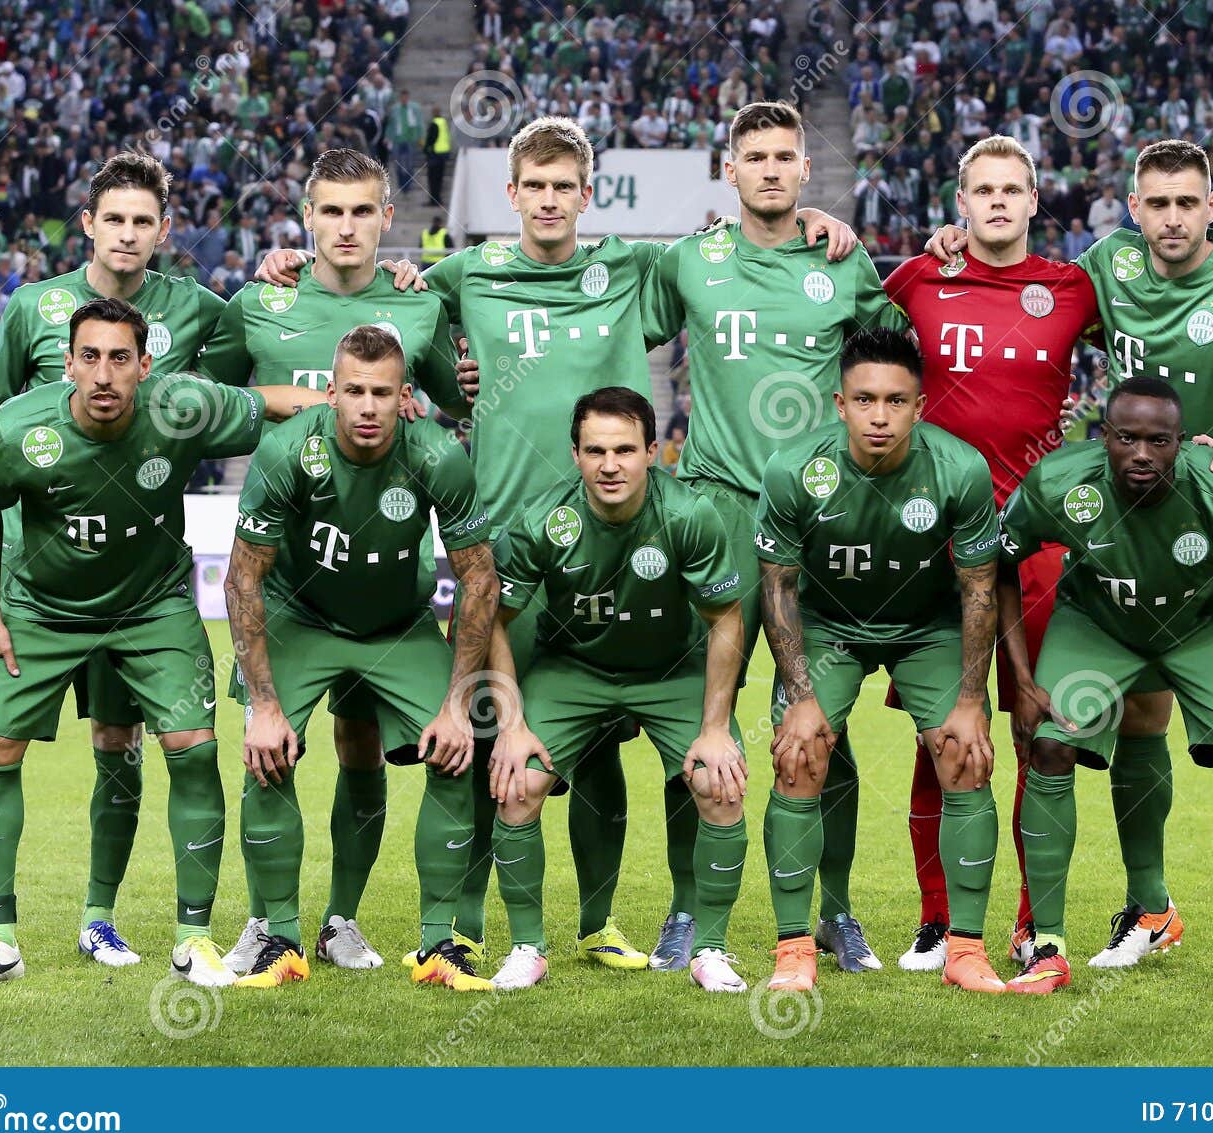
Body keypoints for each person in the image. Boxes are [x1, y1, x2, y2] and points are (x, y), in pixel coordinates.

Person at [255, 116, 853, 974]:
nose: (546, 200)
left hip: (617, 540)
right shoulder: (469, 273)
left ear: (587, 192)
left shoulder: (634, 269)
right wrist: (298, 261)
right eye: (531, 187)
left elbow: (745, 253)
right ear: (511, 196)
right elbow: (392, 296)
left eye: (561, 186)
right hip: (505, 550)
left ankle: (602, 921)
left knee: (606, 740)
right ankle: (458, 925)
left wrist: (819, 225)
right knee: (488, 742)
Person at [0, 154, 229, 971]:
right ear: (88, 224)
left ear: (164, 231)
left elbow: (254, 384)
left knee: (117, 741)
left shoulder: (200, 311)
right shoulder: (34, 307)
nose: (128, 235)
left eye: (144, 221)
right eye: (114, 219)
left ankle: (101, 915)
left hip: (139, 571)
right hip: (37, 568)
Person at [0, 298, 298, 987]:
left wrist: (349, 401)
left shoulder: (182, 405)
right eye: (89, 357)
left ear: (146, 364)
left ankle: (193, 941)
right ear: (68, 363)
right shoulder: (20, 428)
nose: (104, 374)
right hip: (43, 606)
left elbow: (271, 401)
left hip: (151, 604)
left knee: (192, 749)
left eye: (119, 358)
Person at [641, 100, 902, 974]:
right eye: (754, 156)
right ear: (730, 169)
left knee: (822, 722)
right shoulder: (689, 260)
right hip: (715, 512)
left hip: (818, 520)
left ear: (804, 171)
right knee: (696, 720)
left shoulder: (843, 260)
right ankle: (688, 908)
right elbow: (600, 323)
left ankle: (835, 911)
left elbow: (904, 357)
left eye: (786, 156)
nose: (771, 170)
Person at [198, 148, 471, 975]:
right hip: (291, 592)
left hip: (390, 600)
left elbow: (456, 404)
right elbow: (201, 407)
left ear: (388, 220)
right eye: (330, 211)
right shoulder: (260, 299)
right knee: (270, 746)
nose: (346, 227)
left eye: (362, 212)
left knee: (363, 750)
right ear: (306, 217)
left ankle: (344, 920)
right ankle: (270, 924)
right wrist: (284, 404)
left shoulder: (414, 306)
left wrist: (447, 382)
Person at [996, 378, 1213, 999]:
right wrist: (1020, 675)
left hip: (1199, 626)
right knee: (1048, 747)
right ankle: (1046, 947)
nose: (1141, 453)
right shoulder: (1059, 482)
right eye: (1126, 438)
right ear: (1105, 438)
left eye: (1158, 441)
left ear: (1183, 443)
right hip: (1097, 626)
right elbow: (998, 556)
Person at [223, 325, 499, 991]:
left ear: (406, 395)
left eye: (382, 392)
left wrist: (459, 703)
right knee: (268, 754)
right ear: (330, 393)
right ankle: (279, 937)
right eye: (354, 391)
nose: (368, 406)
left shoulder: (437, 455)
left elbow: (481, 579)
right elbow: (242, 579)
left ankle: (437, 943)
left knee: (456, 751)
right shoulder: (287, 451)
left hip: (397, 624)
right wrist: (262, 706)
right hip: (301, 615)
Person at [881, 135, 1099, 971]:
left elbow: (1159, 325)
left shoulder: (1073, 287)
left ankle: (1031, 918)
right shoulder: (916, 279)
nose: (999, 201)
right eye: (984, 189)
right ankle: (938, 918)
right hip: (939, 545)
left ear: (1035, 201)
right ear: (960, 202)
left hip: (1041, 543)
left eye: (1013, 189)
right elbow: (842, 328)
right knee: (942, 736)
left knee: (1040, 729)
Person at [756, 329, 1003, 992]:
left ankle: (967, 950)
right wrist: (801, 695)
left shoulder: (960, 469)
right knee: (801, 753)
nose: (879, 414)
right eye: (864, 398)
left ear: (920, 406)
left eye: (896, 400)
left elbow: (980, 589)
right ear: (839, 403)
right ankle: (794, 948)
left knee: (964, 752)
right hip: (829, 626)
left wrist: (973, 702)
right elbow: (777, 585)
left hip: (927, 628)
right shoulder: (792, 469)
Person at [486, 388, 752, 994]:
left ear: (654, 452)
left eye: (626, 450)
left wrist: (715, 728)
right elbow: (494, 621)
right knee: (517, 780)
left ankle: (710, 949)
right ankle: (528, 947)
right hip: (572, 668)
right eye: (596, 450)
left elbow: (726, 620)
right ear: (575, 455)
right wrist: (511, 724)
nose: (611, 465)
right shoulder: (542, 521)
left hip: (668, 671)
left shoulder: (688, 515)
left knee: (720, 782)